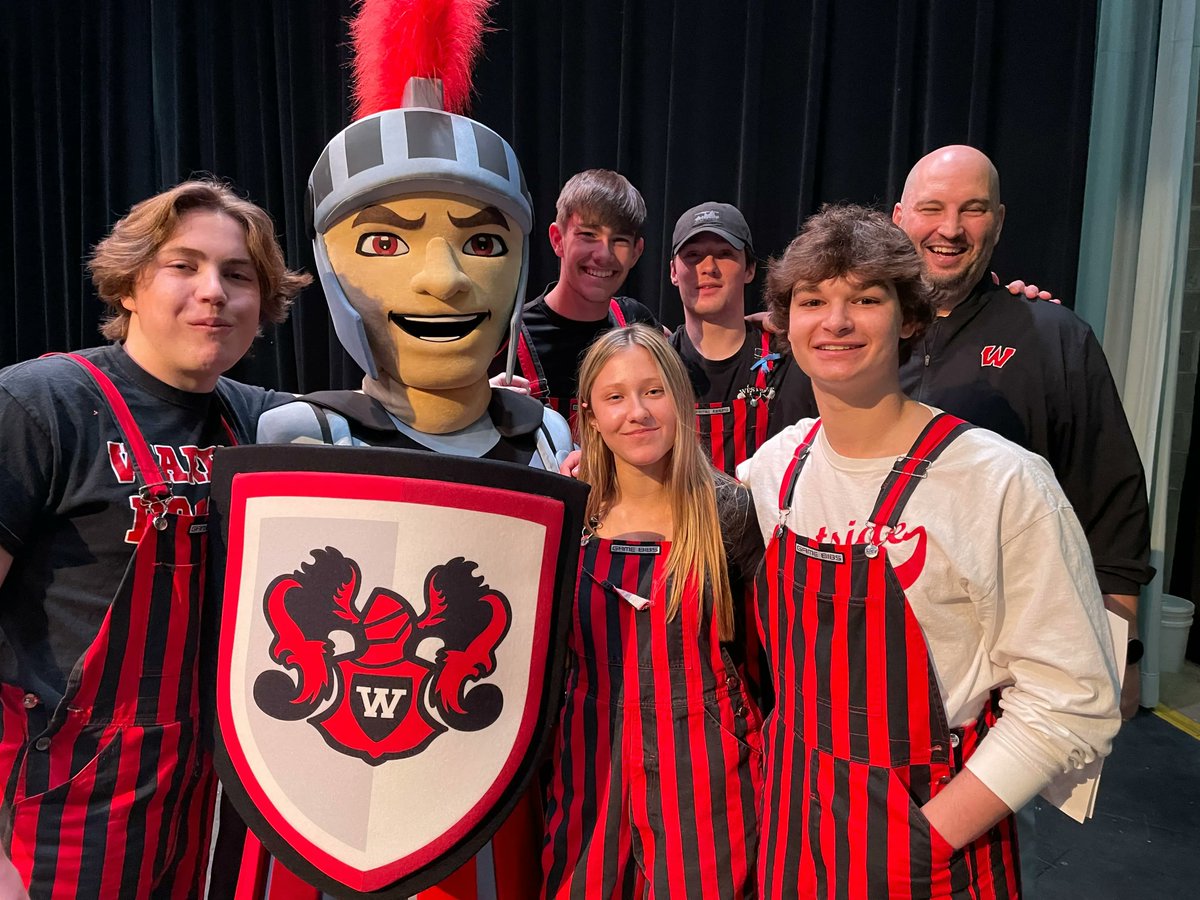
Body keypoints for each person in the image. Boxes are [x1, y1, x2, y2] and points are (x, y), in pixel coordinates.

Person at [739, 205, 1120, 899]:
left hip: (926, 842)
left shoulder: (1000, 482)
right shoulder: (774, 471)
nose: (836, 321)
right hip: (790, 824)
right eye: (813, 300)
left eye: (866, 298)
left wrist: (925, 837)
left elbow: (1074, 701)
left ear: (911, 317)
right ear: (783, 322)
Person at [0, 179, 308, 897]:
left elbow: (401, 438)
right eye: (184, 265)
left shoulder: (268, 425)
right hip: (56, 802)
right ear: (130, 285)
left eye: (238, 275)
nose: (214, 292)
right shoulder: (39, 406)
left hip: (203, 801)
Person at [892, 145, 1152, 718]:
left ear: (1000, 220)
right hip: (865, 650)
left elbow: (1110, 500)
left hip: (1005, 666)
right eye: (932, 208)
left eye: (974, 209)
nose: (951, 230)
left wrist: (1123, 651)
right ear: (899, 218)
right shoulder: (859, 333)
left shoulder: (1054, 337)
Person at [541, 324, 763, 899]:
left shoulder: (727, 509)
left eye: (653, 391)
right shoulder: (566, 514)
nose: (636, 412)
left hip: (708, 756)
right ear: (589, 415)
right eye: (615, 397)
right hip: (593, 747)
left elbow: (763, 652)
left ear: (681, 400)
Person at [490, 169, 659, 427]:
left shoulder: (639, 323)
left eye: (620, 240)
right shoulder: (505, 335)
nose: (604, 254)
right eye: (588, 235)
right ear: (558, 239)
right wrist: (482, 403)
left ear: (636, 252)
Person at [668, 201, 816, 476]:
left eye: (724, 253)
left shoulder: (791, 359)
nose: (708, 266)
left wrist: (792, 324)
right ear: (674, 272)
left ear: (749, 269)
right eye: (693, 255)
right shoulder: (657, 366)